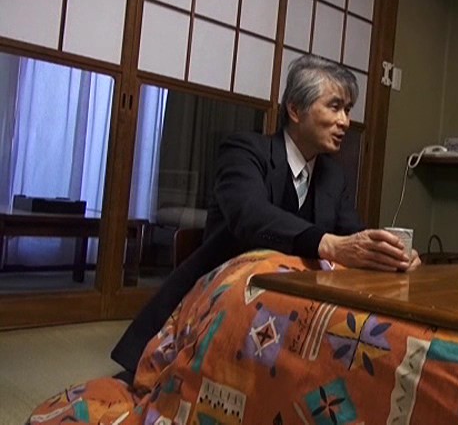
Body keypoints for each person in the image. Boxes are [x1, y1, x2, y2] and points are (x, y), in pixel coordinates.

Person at [112, 55, 421, 376]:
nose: (345, 121)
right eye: (334, 107)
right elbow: (250, 216)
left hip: (289, 303)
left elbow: (351, 234)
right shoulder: (244, 151)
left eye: (348, 109)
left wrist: (386, 253)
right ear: (295, 110)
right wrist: (329, 245)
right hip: (225, 297)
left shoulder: (332, 175)